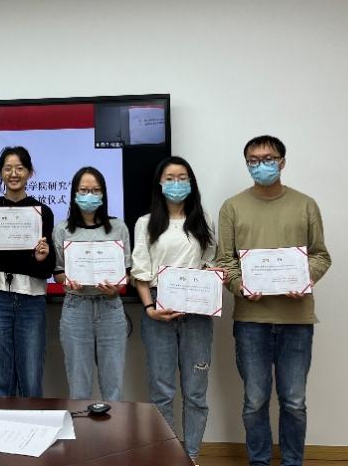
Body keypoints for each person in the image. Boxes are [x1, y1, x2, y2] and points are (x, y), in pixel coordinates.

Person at [217, 135, 331, 466]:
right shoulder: (232, 207)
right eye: (253, 160)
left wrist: (305, 278)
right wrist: (240, 286)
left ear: (282, 162)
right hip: (251, 320)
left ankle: (293, 462)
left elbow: (321, 255)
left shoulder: (305, 205)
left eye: (268, 159)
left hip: (297, 320)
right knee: (255, 401)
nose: (261, 165)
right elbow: (225, 261)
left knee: (294, 401)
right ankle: (259, 462)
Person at [131, 156, 216, 464]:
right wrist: (150, 308)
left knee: (196, 393)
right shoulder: (145, 223)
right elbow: (140, 272)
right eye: (170, 178)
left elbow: (210, 262)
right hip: (158, 311)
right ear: (160, 183)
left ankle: (191, 457)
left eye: (182, 178)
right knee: (162, 392)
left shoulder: (203, 219)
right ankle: (166, 457)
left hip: (197, 313)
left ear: (191, 183)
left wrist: (212, 279)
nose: (176, 183)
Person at [0, 146, 55, 397]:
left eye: (19, 168)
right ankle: (2, 421)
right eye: (8, 168)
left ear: (30, 172)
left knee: (31, 375)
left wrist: (40, 259)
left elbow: (47, 268)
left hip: (32, 298)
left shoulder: (42, 212)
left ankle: (32, 422)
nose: (13, 174)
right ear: (0, 172)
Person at [52, 166, 130, 401]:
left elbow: (126, 272)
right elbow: (58, 272)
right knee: (79, 388)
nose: (89, 195)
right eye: (84, 190)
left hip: (111, 307)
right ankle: (83, 427)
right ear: (74, 194)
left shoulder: (118, 227)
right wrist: (68, 281)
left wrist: (117, 287)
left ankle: (114, 427)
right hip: (76, 307)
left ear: (103, 194)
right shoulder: (62, 229)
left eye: (95, 190)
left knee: (113, 387)